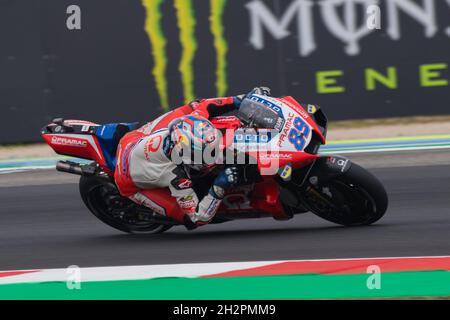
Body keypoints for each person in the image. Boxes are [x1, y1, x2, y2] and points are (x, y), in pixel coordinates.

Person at [114, 87, 271, 228]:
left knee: (192, 106)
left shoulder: (191, 123)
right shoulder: (177, 178)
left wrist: (244, 99)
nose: (215, 157)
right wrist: (220, 184)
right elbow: (198, 217)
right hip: (127, 180)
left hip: (133, 139)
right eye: (208, 155)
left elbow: (205, 106)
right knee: (186, 219)